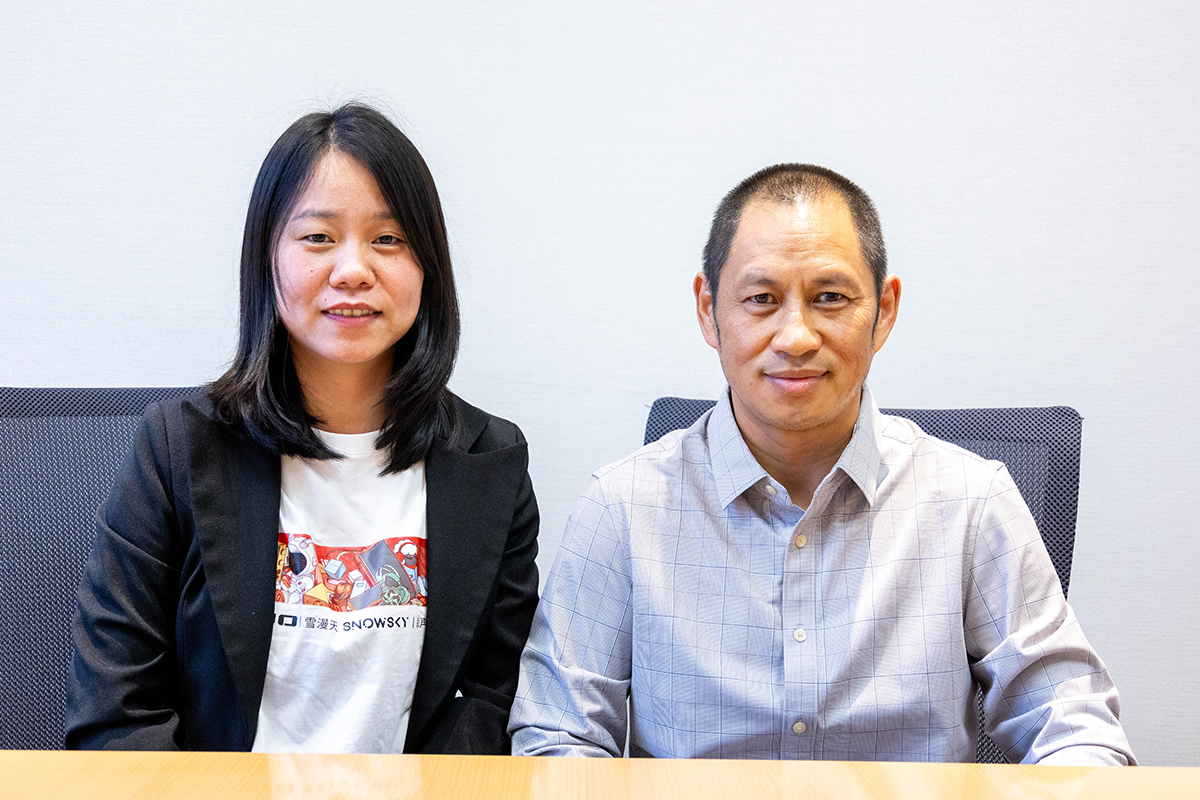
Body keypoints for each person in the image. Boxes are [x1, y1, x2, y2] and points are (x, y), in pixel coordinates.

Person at [508, 164, 1134, 765]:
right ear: (708, 310)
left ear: (883, 310)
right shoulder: (623, 506)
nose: (796, 337)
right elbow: (557, 735)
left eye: (829, 297)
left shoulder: (971, 500)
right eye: (761, 298)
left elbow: (1071, 724)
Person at [66, 104, 539, 754]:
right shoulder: (175, 449)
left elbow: (495, 705)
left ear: (427, 266)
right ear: (268, 256)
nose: (353, 270)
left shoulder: (492, 461)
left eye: (389, 239)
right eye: (318, 238)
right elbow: (116, 715)